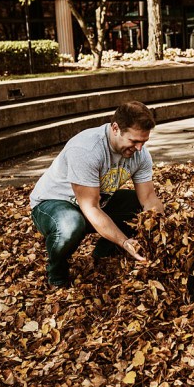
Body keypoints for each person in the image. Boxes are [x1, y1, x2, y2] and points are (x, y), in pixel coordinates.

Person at [29, 101, 165, 287]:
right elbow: (90, 207)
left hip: (98, 201)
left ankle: (103, 255)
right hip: (53, 204)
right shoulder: (86, 149)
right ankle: (57, 274)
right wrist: (125, 242)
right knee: (71, 225)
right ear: (115, 128)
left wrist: (161, 229)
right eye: (134, 141)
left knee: (139, 207)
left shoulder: (140, 155)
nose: (139, 148)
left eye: (144, 141)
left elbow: (148, 198)